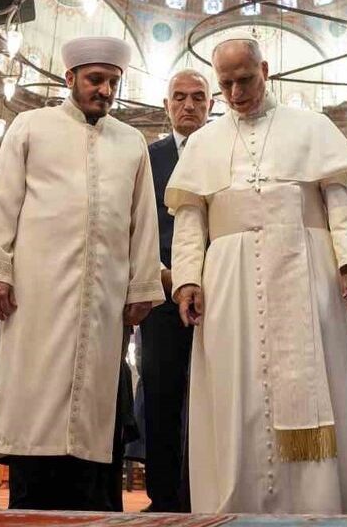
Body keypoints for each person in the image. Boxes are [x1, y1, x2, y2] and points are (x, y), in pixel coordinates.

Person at [168, 38, 347, 513]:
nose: (236, 93)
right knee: (237, 390)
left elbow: (340, 202)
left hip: (306, 271)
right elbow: (190, 219)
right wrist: (187, 279)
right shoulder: (203, 142)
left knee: (320, 382)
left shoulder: (312, 126)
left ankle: (319, 504)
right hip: (230, 282)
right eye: (226, 84)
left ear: (265, 70)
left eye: (245, 80)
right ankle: (238, 506)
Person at [0, 35, 164, 511]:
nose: (105, 90)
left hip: (104, 297)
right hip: (35, 292)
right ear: (70, 77)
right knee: (35, 402)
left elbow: (143, 220)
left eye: (113, 82)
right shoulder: (31, 126)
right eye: (96, 79)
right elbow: (2, 200)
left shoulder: (131, 142)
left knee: (94, 414)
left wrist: (142, 284)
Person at [140, 68, 213, 512]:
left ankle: (207, 492)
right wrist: (163, 274)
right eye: (180, 97)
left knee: (216, 396)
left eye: (198, 97)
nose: (189, 105)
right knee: (161, 394)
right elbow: (136, 223)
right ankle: (163, 497)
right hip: (163, 296)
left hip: (218, 295)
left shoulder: (226, 149)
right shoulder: (147, 158)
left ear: (211, 104)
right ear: (166, 105)